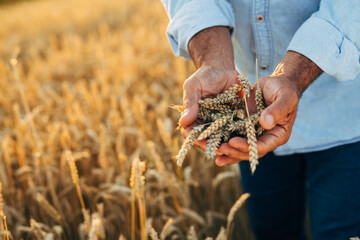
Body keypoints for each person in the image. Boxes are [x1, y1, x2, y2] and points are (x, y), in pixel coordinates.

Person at [161, 0, 360, 239]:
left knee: (339, 233)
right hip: (252, 116)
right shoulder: (246, 116)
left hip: (344, 116)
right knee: (272, 231)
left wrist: (292, 76)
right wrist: (213, 60)